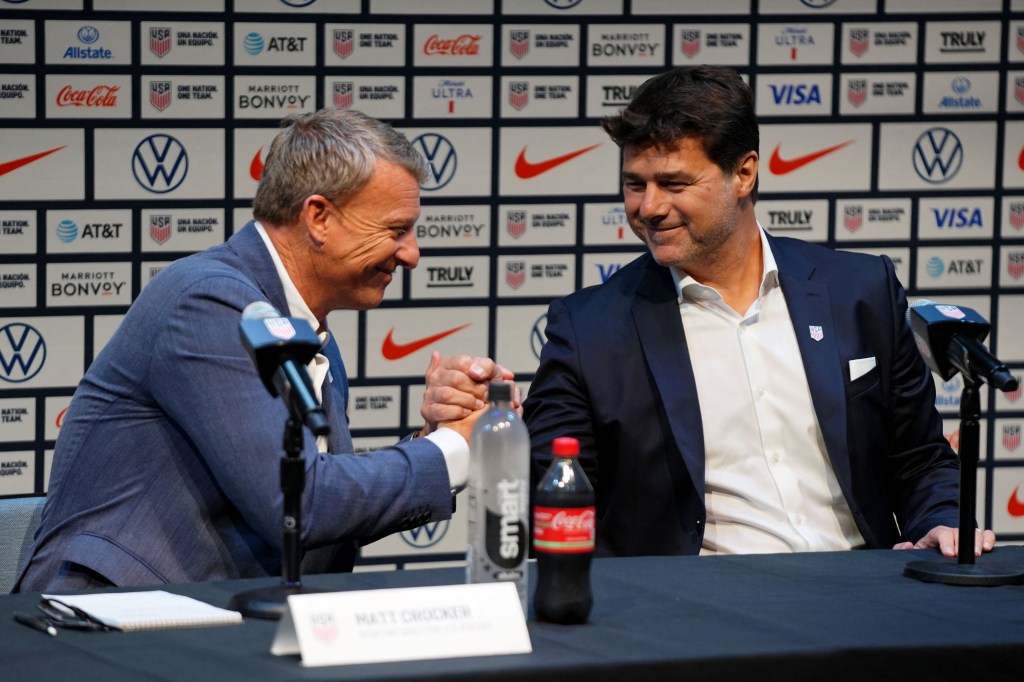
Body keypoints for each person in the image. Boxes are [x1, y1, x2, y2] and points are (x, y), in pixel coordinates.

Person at [15, 108, 513, 592]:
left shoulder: (303, 329)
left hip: (226, 619)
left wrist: (435, 434)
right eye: (395, 230)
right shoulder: (210, 301)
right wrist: (456, 446)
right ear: (318, 216)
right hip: (114, 622)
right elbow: (297, 503)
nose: (411, 253)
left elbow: (321, 509)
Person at [523, 65, 995, 559]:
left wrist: (942, 523)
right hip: (702, 612)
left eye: (674, 183)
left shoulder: (859, 291)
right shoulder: (590, 329)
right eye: (635, 185)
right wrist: (497, 437)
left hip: (861, 593)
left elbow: (920, 460)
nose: (649, 207)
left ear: (744, 173)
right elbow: (549, 497)